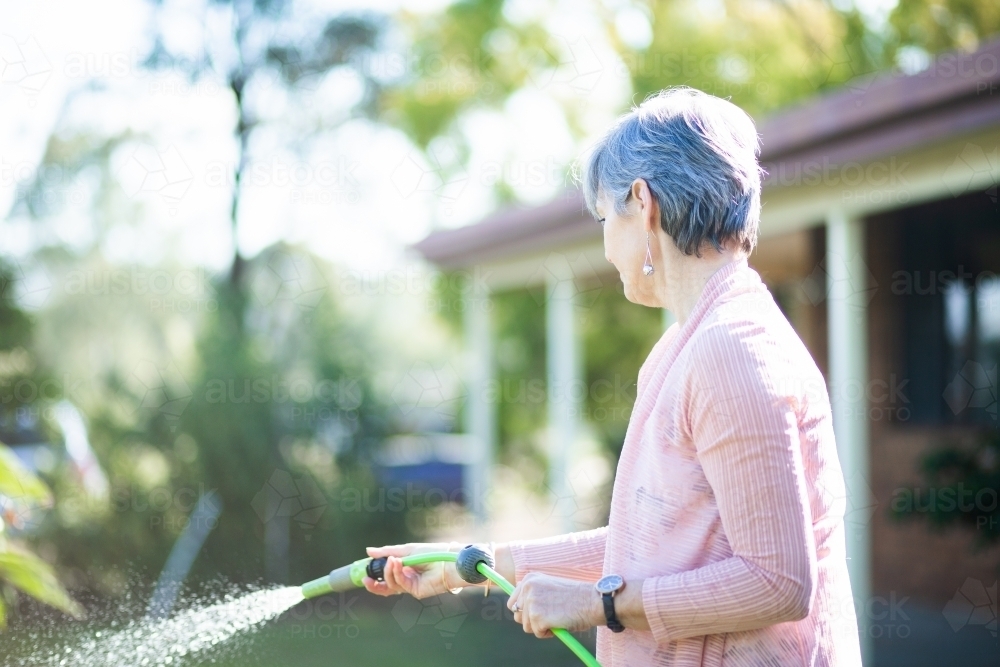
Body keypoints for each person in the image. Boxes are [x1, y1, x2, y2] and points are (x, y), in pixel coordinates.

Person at [364, 88, 863, 666]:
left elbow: (777, 583)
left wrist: (597, 604)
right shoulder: (686, 343)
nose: (605, 246)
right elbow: (650, 544)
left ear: (643, 204)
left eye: (606, 218)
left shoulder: (731, 350)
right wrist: (467, 565)